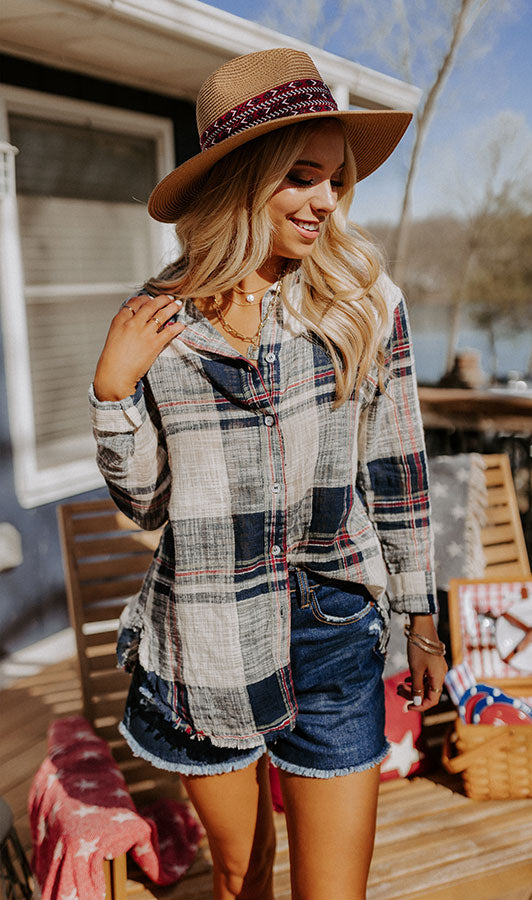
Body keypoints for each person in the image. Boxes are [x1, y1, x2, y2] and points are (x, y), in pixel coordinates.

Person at [90, 47, 447, 900]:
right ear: (244, 178)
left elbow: (398, 468)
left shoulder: (364, 300)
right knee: (241, 885)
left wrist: (420, 616)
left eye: (336, 179)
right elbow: (146, 505)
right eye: (301, 177)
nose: (326, 201)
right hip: (206, 636)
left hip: (336, 629)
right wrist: (113, 392)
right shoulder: (160, 318)